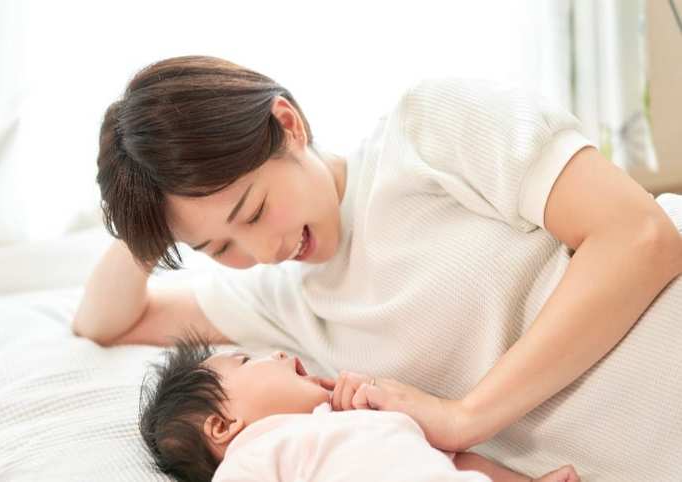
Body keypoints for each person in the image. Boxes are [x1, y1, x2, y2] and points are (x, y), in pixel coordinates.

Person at [73, 55, 682, 479]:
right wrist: (146, 207)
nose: (261, 253)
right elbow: (105, 322)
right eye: (218, 249)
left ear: (288, 125)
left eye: (253, 211)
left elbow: (639, 236)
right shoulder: (284, 303)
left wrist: (465, 418)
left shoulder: (426, 129)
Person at [139, 335, 579, 482]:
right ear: (223, 426)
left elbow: (459, 461)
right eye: (246, 361)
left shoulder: (361, 420)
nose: (277, 354)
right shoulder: (253, 455)